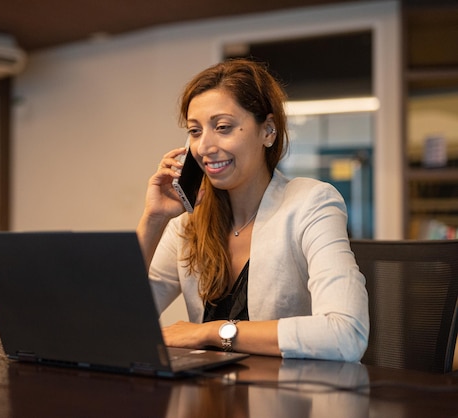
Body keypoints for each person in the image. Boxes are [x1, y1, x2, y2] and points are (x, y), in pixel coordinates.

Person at [136, 58, 369, 362]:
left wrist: (211, 332)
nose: (204, 146)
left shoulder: (310, 203)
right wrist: (153, 219)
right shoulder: (188, 224)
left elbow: (346, 334)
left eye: (222, 127)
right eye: (195, 131)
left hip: (288, 399)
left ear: (268, 131)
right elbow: (110, 321)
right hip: (209, 401)